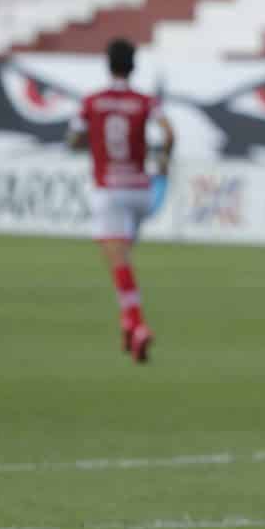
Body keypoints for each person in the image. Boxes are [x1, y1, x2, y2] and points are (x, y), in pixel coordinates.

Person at [66, 38, 174, 363]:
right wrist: (164, 159)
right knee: (121, 255)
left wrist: (89, 141)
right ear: (134, 66)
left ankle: (136, 323)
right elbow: (169, 133)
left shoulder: (92, 101)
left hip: (109, 188)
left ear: (107, 64)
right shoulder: (145, 100)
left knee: (118, 261)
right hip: (141, 189)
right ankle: (128, 326)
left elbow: (73, 138)